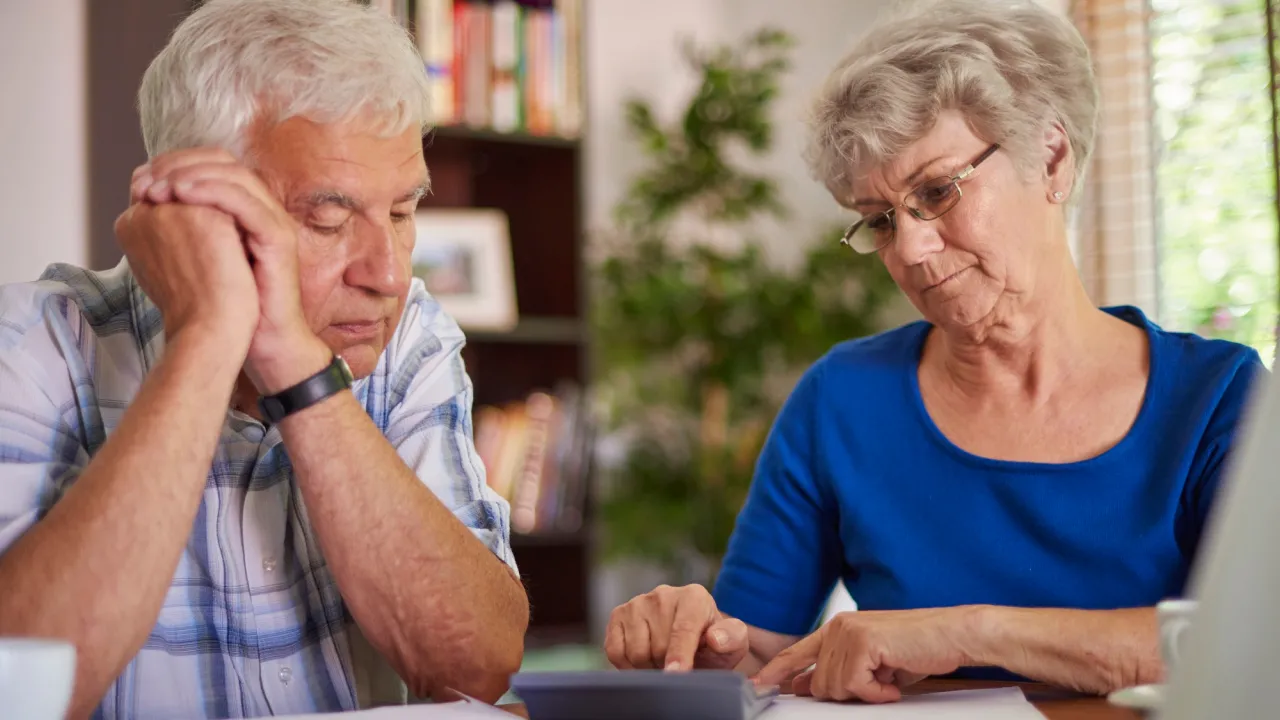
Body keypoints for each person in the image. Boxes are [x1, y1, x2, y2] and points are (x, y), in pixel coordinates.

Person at [604, 0, 1267, 704]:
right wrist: (692, 644)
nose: (911, 250)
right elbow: (757, 658)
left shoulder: (1218, 399)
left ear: (1051, 157)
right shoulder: (842, 402)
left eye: (937, 191)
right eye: (880, 221)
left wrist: (967, 634)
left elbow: (1257, 642)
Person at [0, 1, 527, 717]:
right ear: (193, 210)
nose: (388, 273)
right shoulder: (32, 348)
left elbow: (479, 665)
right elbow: (24, 691)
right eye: (328, 218)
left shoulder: (406, 340)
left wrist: (299, 371)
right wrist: (209, 336)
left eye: (403, 212)